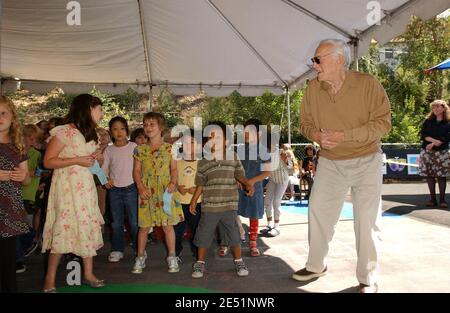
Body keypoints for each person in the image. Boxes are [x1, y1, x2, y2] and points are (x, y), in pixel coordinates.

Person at [293, 39, 391, 293]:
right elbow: (304, 123)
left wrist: (345, 136)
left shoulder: (368, 84)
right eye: (314, 61)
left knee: (367, 221)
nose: (314, 66)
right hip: (330, 162)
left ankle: (368, 278)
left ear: (338, 59)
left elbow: (383, 124)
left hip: (367, 159)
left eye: (318, 60)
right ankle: (316, 265)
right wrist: (316, 135)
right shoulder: (312, 90)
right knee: (317, 210)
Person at [41, 94, 106, 292]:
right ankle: (49, 280)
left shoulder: (92, 134)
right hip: (67, 190)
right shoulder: (65, 131)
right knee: (63, 228)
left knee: (86, 226)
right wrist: (76, 160)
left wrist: (97, 158)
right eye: (99, 109)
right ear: (88, 109)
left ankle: (88, 273)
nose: (102, 114)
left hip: (86, 189)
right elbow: (48, 161)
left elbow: (97, 165)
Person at [189, 121, 254, 278]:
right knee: (204, 234)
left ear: (226, 141)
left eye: (218, 136)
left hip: (229, 205)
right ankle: (200, 263)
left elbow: (240, 175)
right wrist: (193, 201)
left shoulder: (233, 157)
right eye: (211, 137)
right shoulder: (203, 162)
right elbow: (200, 184)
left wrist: (247, 185)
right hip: (209, 207)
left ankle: (239, 261)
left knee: (233, 235)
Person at [132, 112, 183, 274]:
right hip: (147, 191)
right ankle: (140, 256)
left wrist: (173, 183)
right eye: (145, 124)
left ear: (161, 127)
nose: (148, 127)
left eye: (152, 124)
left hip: (166, 191)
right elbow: (136, 171)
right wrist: (140, 187)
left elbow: (174, 169)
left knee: (167, 226)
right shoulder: (139, 150)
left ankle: (172, 256)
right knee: (144, 226)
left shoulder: (170, 149)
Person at [0, 95, 30, 293]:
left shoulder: (18, 146)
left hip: (9, 211)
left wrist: (22, 176)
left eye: (3, 113)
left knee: (7, 262)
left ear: (12, 117)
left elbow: (27, 179)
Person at [102, 116, 138, 262]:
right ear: (110, 132)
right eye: (115, 129)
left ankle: (139, 249)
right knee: (116, 222)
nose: (119, 132)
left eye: (122, 129)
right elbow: (103, 170)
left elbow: (141, 167)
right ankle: (117, 249)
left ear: (127, 130)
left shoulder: (134, 147)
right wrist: (106, 181)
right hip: (115, 191)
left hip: (132, 189)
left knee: (134, 221)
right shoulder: (108, 150)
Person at [16, 125, 42, 274]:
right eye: (27, 137)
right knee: (17, 228)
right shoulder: (14, 152)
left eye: (32, 138)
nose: (29, 141)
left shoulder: (36, 154)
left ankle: (29, 244)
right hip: (15, 194)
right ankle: (19, 257)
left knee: (23, 227)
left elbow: (37, 172)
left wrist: (23, 173)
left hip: (29, 195)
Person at [174, 129, 202, 260]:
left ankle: (198, 254)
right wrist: (177, 187)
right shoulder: (176, 161)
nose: (188, 145)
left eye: (192, 142)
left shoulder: (203, 162)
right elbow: (170, 180)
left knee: (197, 230)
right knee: (177, 230)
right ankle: (175, 253)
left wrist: (197, 189)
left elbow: (208, 182)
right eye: (184, 142)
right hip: (179, 203)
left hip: (197, 203)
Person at [418, 99, 450, 208]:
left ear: (443, 108)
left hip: (442, 152)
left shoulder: (448, 122)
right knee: (429, 176)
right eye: (434, 107)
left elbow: (447, 137)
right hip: (427, 152)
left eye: (437, 107)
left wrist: (434, 143)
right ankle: (432, 199)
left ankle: (442, 200)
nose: (435, 109)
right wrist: (433, 142)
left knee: (442, 176)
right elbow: (423, 135)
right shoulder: (428, 121)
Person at [261, 149, 289, 237]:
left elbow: (291, 166)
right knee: (267, 201)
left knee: (276, 203)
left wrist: (287, 160)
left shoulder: (281, 153)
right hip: (272, 179)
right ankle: (269, 225)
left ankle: (277, 227)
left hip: (282, 180)